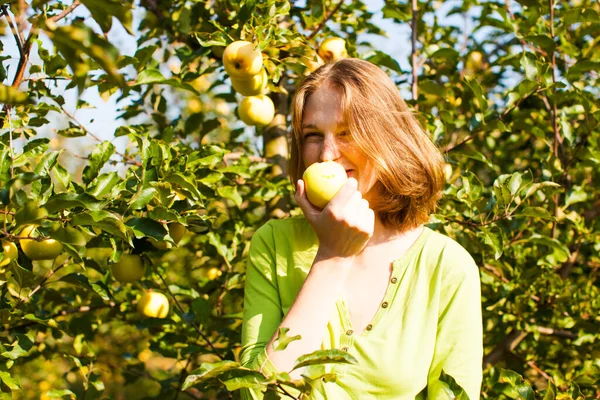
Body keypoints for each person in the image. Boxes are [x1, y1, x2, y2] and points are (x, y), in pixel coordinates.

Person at [240, 58, 483, 399]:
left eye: (346, 133)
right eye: (312, 135)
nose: (326, 154)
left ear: (386, 139)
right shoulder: (275, 243)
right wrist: (333, 257)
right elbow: (255, 393)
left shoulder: (445, 267)